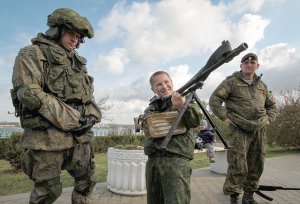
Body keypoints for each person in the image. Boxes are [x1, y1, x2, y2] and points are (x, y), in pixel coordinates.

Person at [11, 8, 101, 204]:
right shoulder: (32, 53)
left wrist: (93, 116)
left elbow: (88, 95)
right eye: (71, 34)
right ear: (57, 30)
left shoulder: (76, 62)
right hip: (47, 139)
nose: (75, 40)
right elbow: (31, 94)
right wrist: (75, 119)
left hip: (80, 138)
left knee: (86, 183)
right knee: (48, 192)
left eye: (78, 37)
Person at [209, 53, 277, 204]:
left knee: (257, 163)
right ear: (241, 66)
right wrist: (225, 117)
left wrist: (269, 119)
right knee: (237, 163)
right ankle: (234, 195)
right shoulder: (231, 82)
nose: (249, 64)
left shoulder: (262, 86)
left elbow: (272, 105)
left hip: (259, 129)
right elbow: (214, 100)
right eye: (245, 62)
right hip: (239, 128)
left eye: (253, 62)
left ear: (257, 66)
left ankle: (249, 196)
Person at [141, 71, 202, 204]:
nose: (164, 86)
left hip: (176, 160)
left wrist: (180, 105)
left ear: (172, 83)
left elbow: (196, 121)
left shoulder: (185, 99)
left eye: (166, 82)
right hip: (153, 161)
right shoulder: (151, 107)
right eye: (158, 84)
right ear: (153, 89)